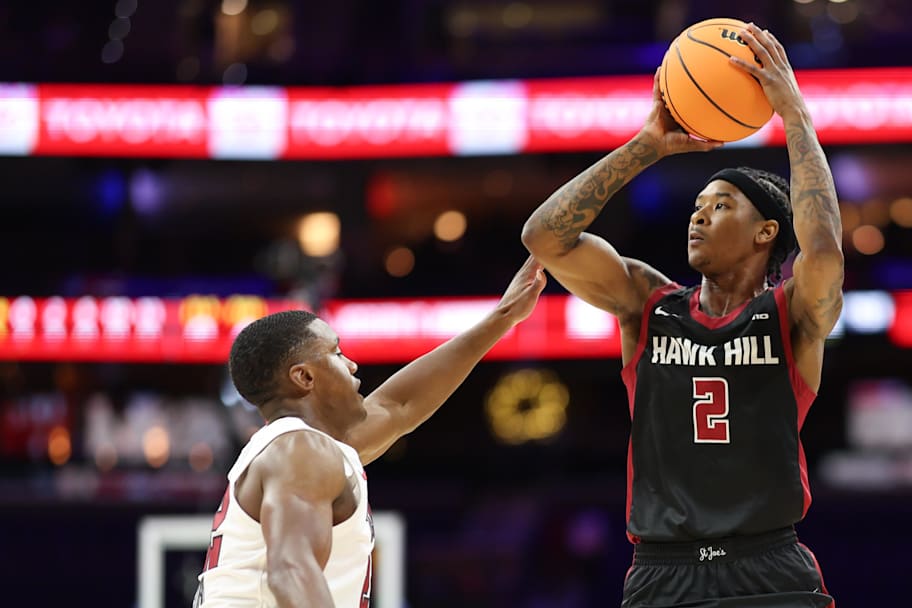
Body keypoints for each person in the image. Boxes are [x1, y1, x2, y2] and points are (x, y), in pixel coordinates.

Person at [521, 23, 842, 608]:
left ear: (766, 232)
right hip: (661, 571)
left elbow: (822, 252)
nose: (699, 217)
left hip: (769, 568)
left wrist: (795, 118)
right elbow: (543, 237)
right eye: (697, 206)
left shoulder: (790, 314)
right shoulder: (648, 303)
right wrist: (645, 146)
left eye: (721, 207)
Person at [193, 256, 547, 608]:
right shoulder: (300, 451)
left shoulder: (307, 448)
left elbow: (400, 407)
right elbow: (290, 572)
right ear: (304, 377)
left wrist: (505, 316)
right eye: (336, 352)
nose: (352, 364)